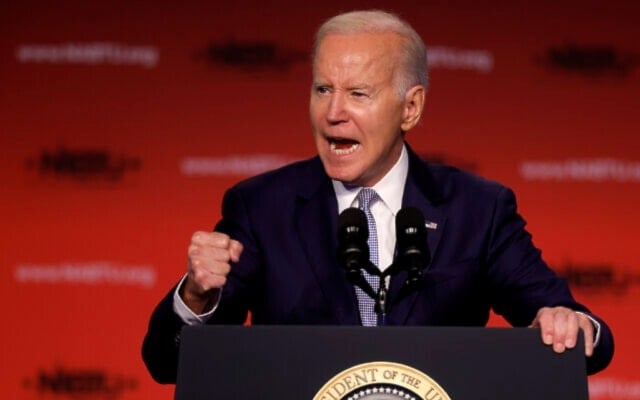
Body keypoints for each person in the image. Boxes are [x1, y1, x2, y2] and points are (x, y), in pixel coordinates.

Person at [142, 9, 614, 383]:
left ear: (411, 108)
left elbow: (587, 336)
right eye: (322, 88)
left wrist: (568, 324)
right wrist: (196, 296)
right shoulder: (263, 208)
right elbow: (167, 362)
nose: (333, 112)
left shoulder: (477, 209)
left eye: (358, 93)